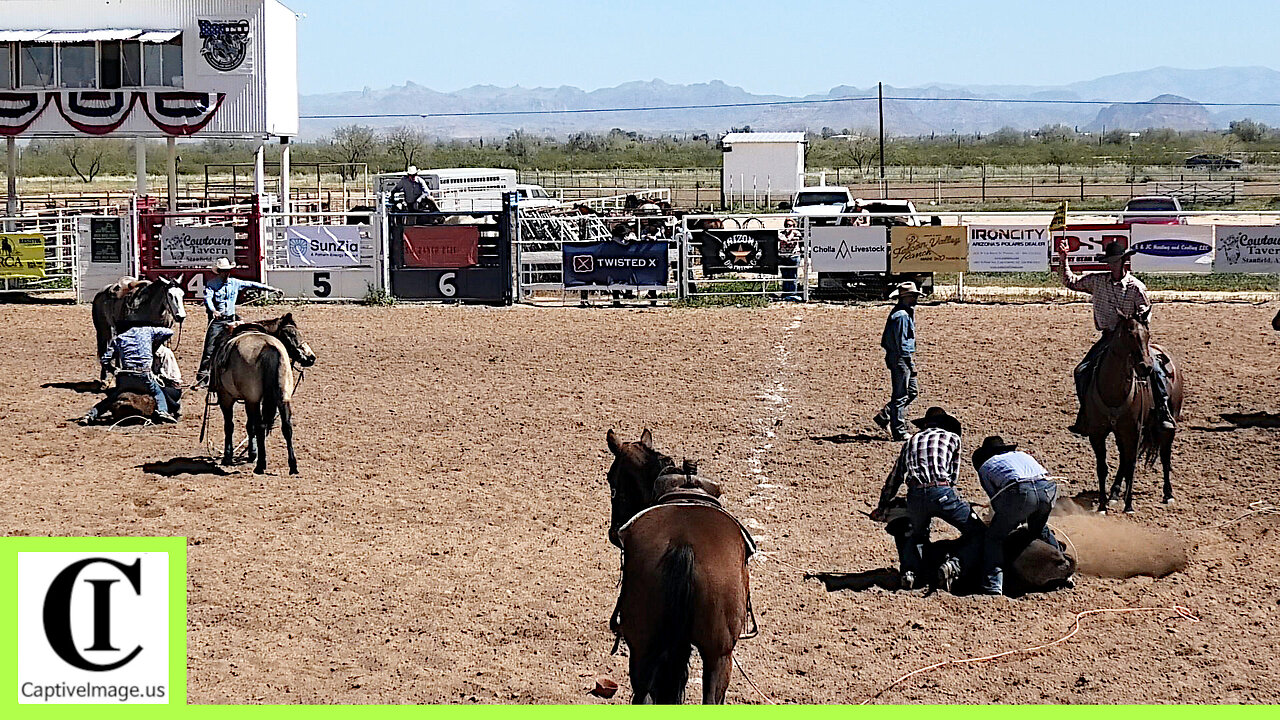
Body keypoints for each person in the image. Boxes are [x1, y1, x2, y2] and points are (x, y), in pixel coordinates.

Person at [1058, 240, 1175, 434]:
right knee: (1081, 371)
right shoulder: (1098, 281)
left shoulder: (1136, 287)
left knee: (1154, 368)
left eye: (1115, 261)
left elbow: (1146, 315)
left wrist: (1137, 323)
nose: (1112, 265)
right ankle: (1086, 412)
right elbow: (1071, 282)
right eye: (1110, 261)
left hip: (1133, 338)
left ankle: (1162, 410)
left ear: (1123, 262)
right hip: (1109, 337)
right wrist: (1064, 260)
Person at [871, 407, 983, 591]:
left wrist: (882, 505)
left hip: (914, 495)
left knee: (917, 535)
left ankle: (910, 573)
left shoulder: (911, 441)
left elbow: (895, 477)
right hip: (941, 492)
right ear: (945, 425)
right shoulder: (953, 438)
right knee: (978, 532)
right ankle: (953, 565)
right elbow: (952, 478)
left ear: (925, 424)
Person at [971, 435, 1070, 596]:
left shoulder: (986, 466)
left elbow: (996, 501)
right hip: (1049, 489)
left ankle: (993, 584)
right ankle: (1064, 565)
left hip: (1020, 492)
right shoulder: (1023, 455)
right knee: (1039, 528)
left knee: (994, 538)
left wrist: (1012, 519)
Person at [194, 258, 279, 389]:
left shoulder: (235, 283)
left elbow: (252, 284)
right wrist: (213, 310)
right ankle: (203, 379)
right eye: (224, 271)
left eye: (228, 271)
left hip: (232, 319)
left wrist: (270, 289)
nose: (226, 273)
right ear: (219, 272)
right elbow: (208, 299)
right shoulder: (212, 284)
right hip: (218, 321)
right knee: (210, 349)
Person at [90, 326, 178, 424]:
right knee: (158, 392)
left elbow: (105, 360)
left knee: (113, 397)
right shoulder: (149, 331)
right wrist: (156, 342)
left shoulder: (120, 337)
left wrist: (113, 370)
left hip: (125, 375)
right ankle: (162, 411)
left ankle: (91, 414)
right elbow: (169, 332)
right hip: (143, 374)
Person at [874, 281, 920, 440]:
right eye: (914, 296)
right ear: (907, 297)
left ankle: (886, 415)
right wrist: (908, 361)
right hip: (901, 358)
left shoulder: (903, 313)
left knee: (911, 391)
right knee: (901, 394)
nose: (916, 298)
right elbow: (901, 343)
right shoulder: (901, 316)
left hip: (902, 357)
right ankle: (899, 431)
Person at [153, 342, 183, 419]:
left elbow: (169, 377)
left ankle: (175, 407)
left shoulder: (166, 354)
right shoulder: (151, 353)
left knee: (157, 389)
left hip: (171, 387)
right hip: (161, 384)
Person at [778, 217, 803, 301]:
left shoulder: (797, 233)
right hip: (783, 257)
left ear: (794, 226)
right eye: (787, 225)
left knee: (793, 276)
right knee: (785, 276)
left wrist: (789, 237)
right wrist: (787, 238)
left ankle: (792, 294)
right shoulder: (781, 233)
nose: (788, 227)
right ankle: (785, 293)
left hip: (794, 256)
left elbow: (796, 239)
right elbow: (782, 238)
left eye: (790, 225)